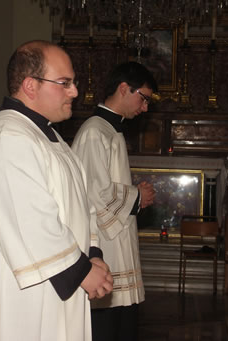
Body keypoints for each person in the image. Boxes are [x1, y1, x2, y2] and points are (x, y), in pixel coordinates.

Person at [0, 40, 113, 341]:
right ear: (30, 85)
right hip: (21, 297)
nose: (75, 92)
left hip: (58, 283)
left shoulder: (48, 137)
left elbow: (80, 205)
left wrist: (92, 254)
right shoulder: (5, 137)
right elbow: (29, 219)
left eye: (73, 83)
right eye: (64, 83)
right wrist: (81, 272)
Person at [72, 61, 157, 341]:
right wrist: (136, 197)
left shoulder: (110, 130)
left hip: (118, 242)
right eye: (143, 98)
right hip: (103, 246)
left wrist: (134, 195)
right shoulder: (95, 132)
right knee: (106, 326)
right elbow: (93, 193)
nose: (145, 108)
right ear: (124, 88)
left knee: (122, 324)